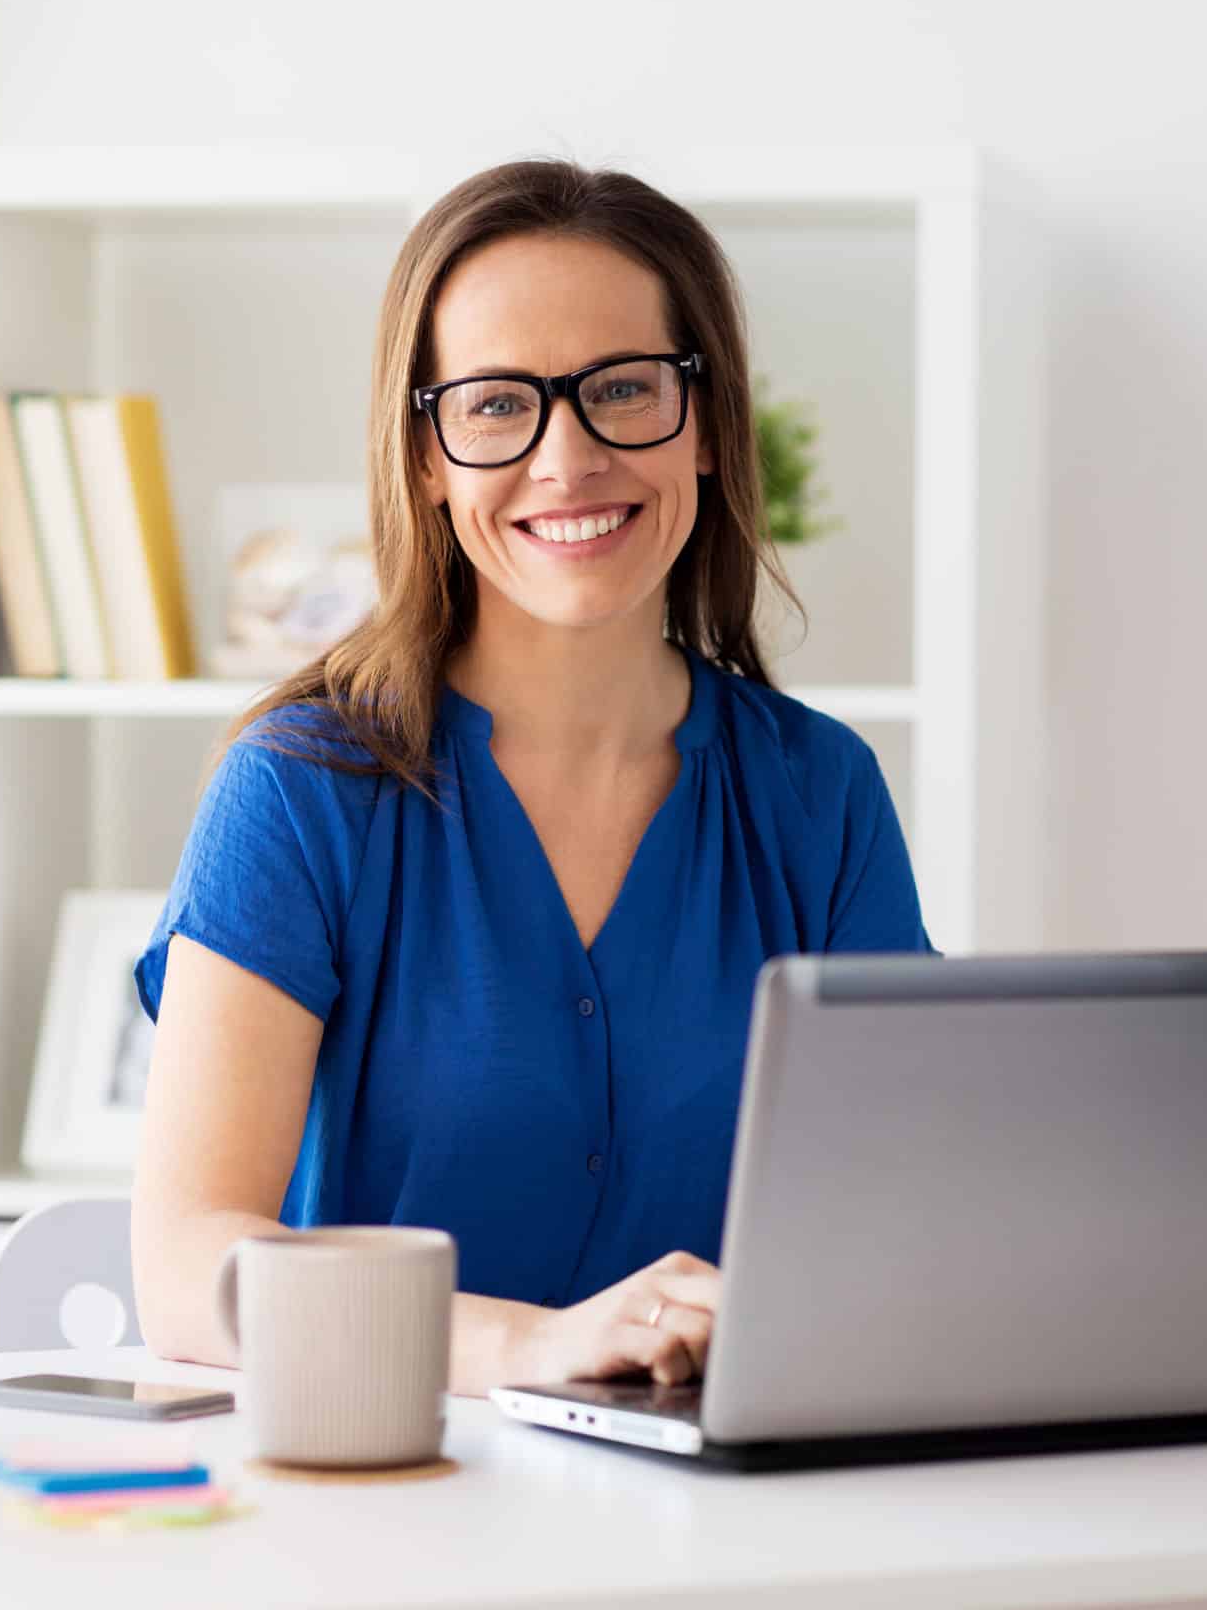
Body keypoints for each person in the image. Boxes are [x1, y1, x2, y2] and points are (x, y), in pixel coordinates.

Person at [129, 157, 935, 1397]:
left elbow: (903, 1214)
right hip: (393, 1510)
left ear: (711, 426)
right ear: (426, 459)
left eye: (623, 388)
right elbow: (188, 1268)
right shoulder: (299, 791)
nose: (569, 459)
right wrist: (525, 1345)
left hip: (735, 1526)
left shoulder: (820, 794)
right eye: (499, 405)